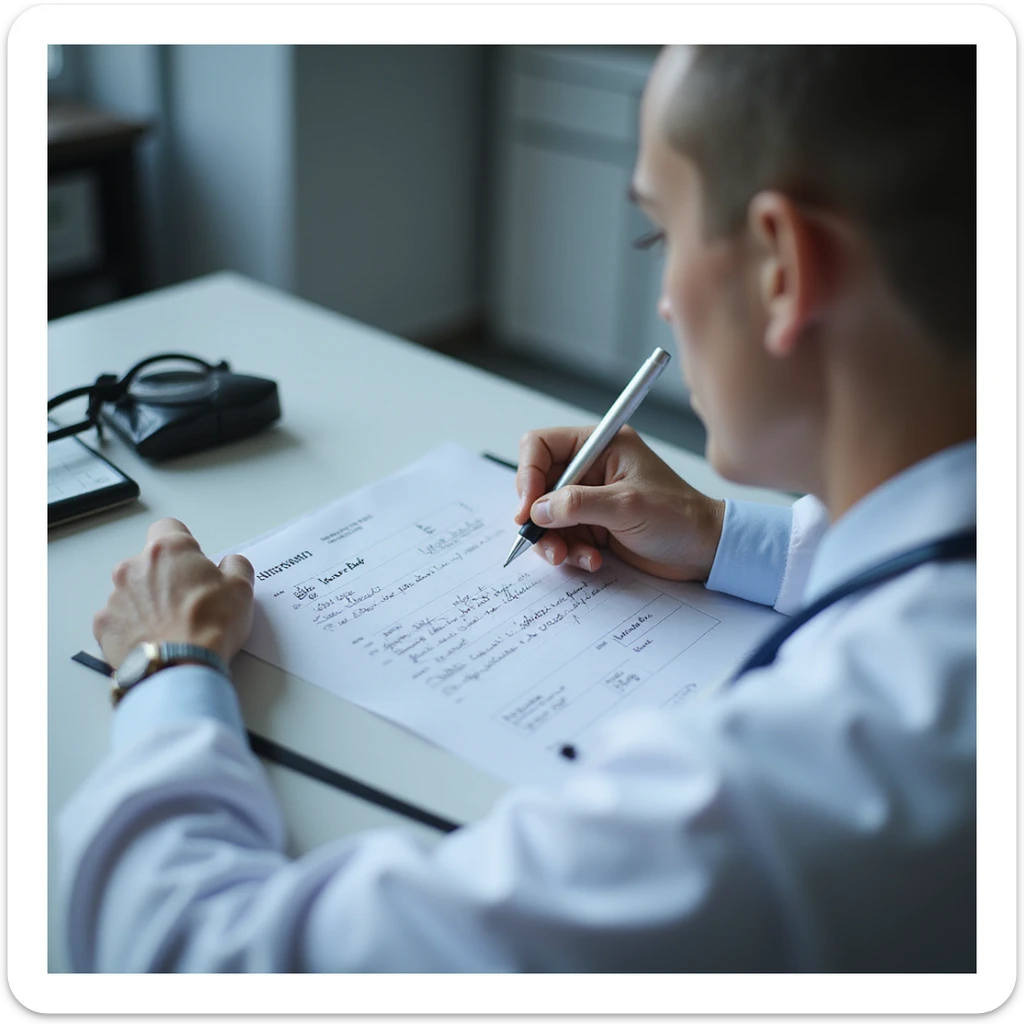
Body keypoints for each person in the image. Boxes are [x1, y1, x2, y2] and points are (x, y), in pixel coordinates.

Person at [57, 44, 977, 972]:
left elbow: (187, 957)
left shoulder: (814, 778)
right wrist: (723, 537)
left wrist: (163, 664)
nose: (663, 304)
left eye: (660, 235)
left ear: (781, 268)